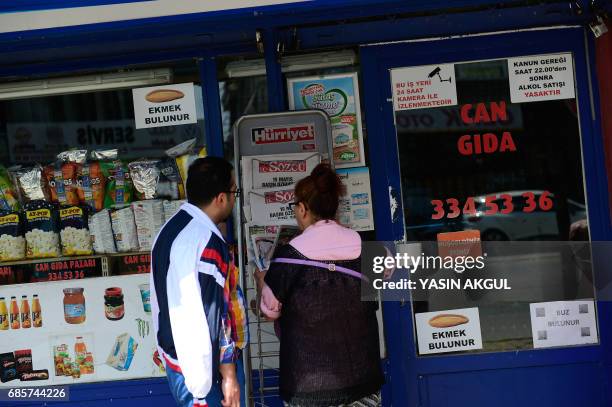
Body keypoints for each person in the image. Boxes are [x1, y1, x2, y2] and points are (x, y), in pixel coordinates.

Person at [259, 163, 384, 407]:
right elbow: (385, 278)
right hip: (362, 381)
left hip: (308, 386)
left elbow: (270, 311)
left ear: (303, 209)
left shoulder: (288, 257)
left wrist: (261, 280)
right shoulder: (369, 247)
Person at [150, 156, 247, 407]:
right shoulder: (208, 241)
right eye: (235, 190)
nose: (235, 198)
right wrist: (229, 375)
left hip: (178, 361)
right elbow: (219, 312)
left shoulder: (170, 229)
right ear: (221, 198)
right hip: (205, 371)